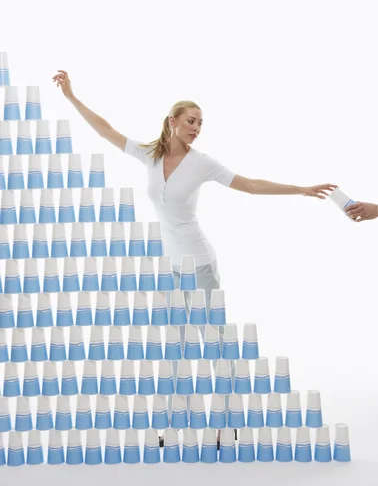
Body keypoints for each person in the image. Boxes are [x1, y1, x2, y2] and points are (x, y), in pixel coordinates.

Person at [53, 69, 338, 445]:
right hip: (170, 267)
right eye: (191, 121)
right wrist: (72, 97)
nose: (197, 127)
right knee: (176, 345)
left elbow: (250, 185)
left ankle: (226, 417)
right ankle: (174, 423)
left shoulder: (201, 162)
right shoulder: (149, 156)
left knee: (214, 342)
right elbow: (105, 130)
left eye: (201, 123)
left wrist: (300, 189)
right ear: (172, 122)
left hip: (200, 263)